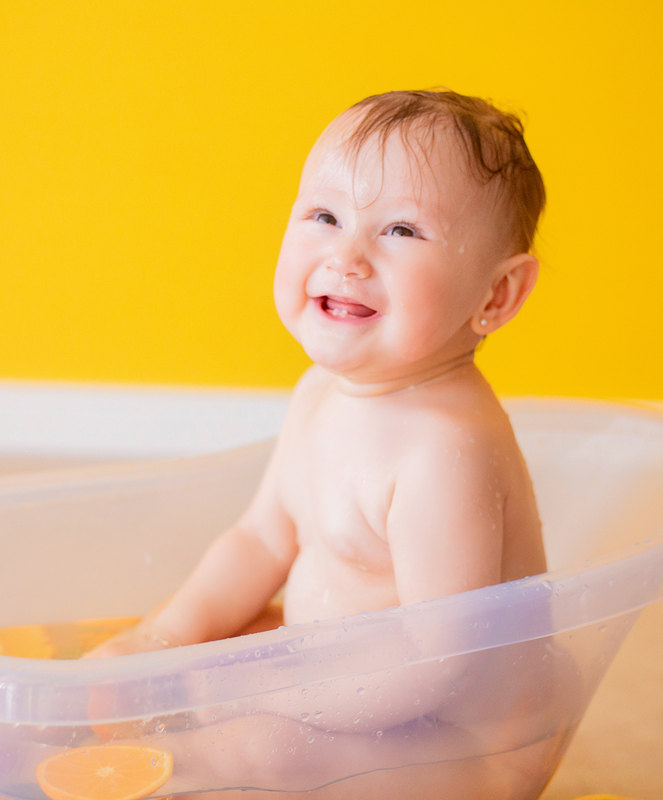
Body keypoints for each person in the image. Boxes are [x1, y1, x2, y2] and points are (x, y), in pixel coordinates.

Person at [83, 89, 554, 797]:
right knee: (223, 640)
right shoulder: (319, 393)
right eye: (325, 216)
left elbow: (440, 658)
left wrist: (259, 691)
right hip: (347, 685)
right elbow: (261, 540)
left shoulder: (443, 452)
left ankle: (117, 779)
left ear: (495, 297)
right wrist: (163, 639)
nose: (347, 254)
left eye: (400, 230)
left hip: (460, 748)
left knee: (258, 749)